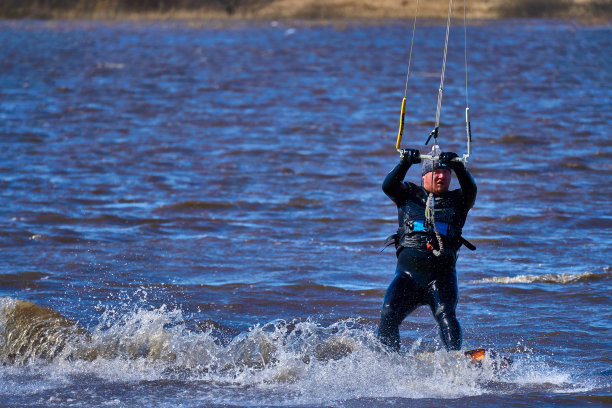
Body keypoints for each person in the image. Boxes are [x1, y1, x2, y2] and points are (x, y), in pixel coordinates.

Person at [376, 148, 477, 352]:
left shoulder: (459, 201)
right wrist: (405, 162)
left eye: (446, 172)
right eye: (436, 171)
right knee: (388, 313)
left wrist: (459, 167)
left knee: (446, 314)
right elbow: (388, 186)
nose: (441, 175)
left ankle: (456, 359)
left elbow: (471, 189)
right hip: (407, 276)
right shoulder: (408, 195)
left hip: (441, 277)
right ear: (424, 176)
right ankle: (389, 360)